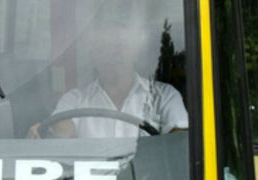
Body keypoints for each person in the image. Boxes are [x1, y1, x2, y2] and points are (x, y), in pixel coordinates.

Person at [29, 18, 188, 138]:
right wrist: (43, 135)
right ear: (94, 56)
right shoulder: (76, 99)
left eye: (119, 46)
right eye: (103, 48)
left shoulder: (165, 97)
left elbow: (180, 146)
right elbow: (60, 131)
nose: (111, 54)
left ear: (135, 52)